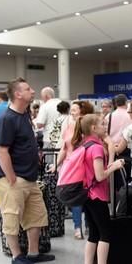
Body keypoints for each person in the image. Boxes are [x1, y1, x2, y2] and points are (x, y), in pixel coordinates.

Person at [0, 78, 56, 264]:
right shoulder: (6, 119)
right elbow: (1, 151)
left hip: (29, 177)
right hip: (13, 179)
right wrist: (11, 178)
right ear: (18, 94)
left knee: (36, 215)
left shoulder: (24, 115)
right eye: (28, 89)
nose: (33, 91)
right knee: (12, 216)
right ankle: (16, 256)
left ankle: (33, 252)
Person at [71, 114, 126, 264]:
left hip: (86, 195)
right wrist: (115, 167)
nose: (105, 126)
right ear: (93, 128)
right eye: (102, 124)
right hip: (97, 196)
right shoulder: (96, 148)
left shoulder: (83, 145)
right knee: (105, 233)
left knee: (94, 233)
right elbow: (100, 175)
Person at [56, 100, 95, 239]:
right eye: (71, 110)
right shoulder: (69, 127)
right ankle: (78, 227)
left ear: (83, 111)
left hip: (85, 166)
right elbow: (64, 148)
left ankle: (88, 226)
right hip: (71, 168)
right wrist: (56, 164)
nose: (71, 112)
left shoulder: (89, 128)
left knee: (88, 197)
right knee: (76, 197)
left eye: (74, 110)